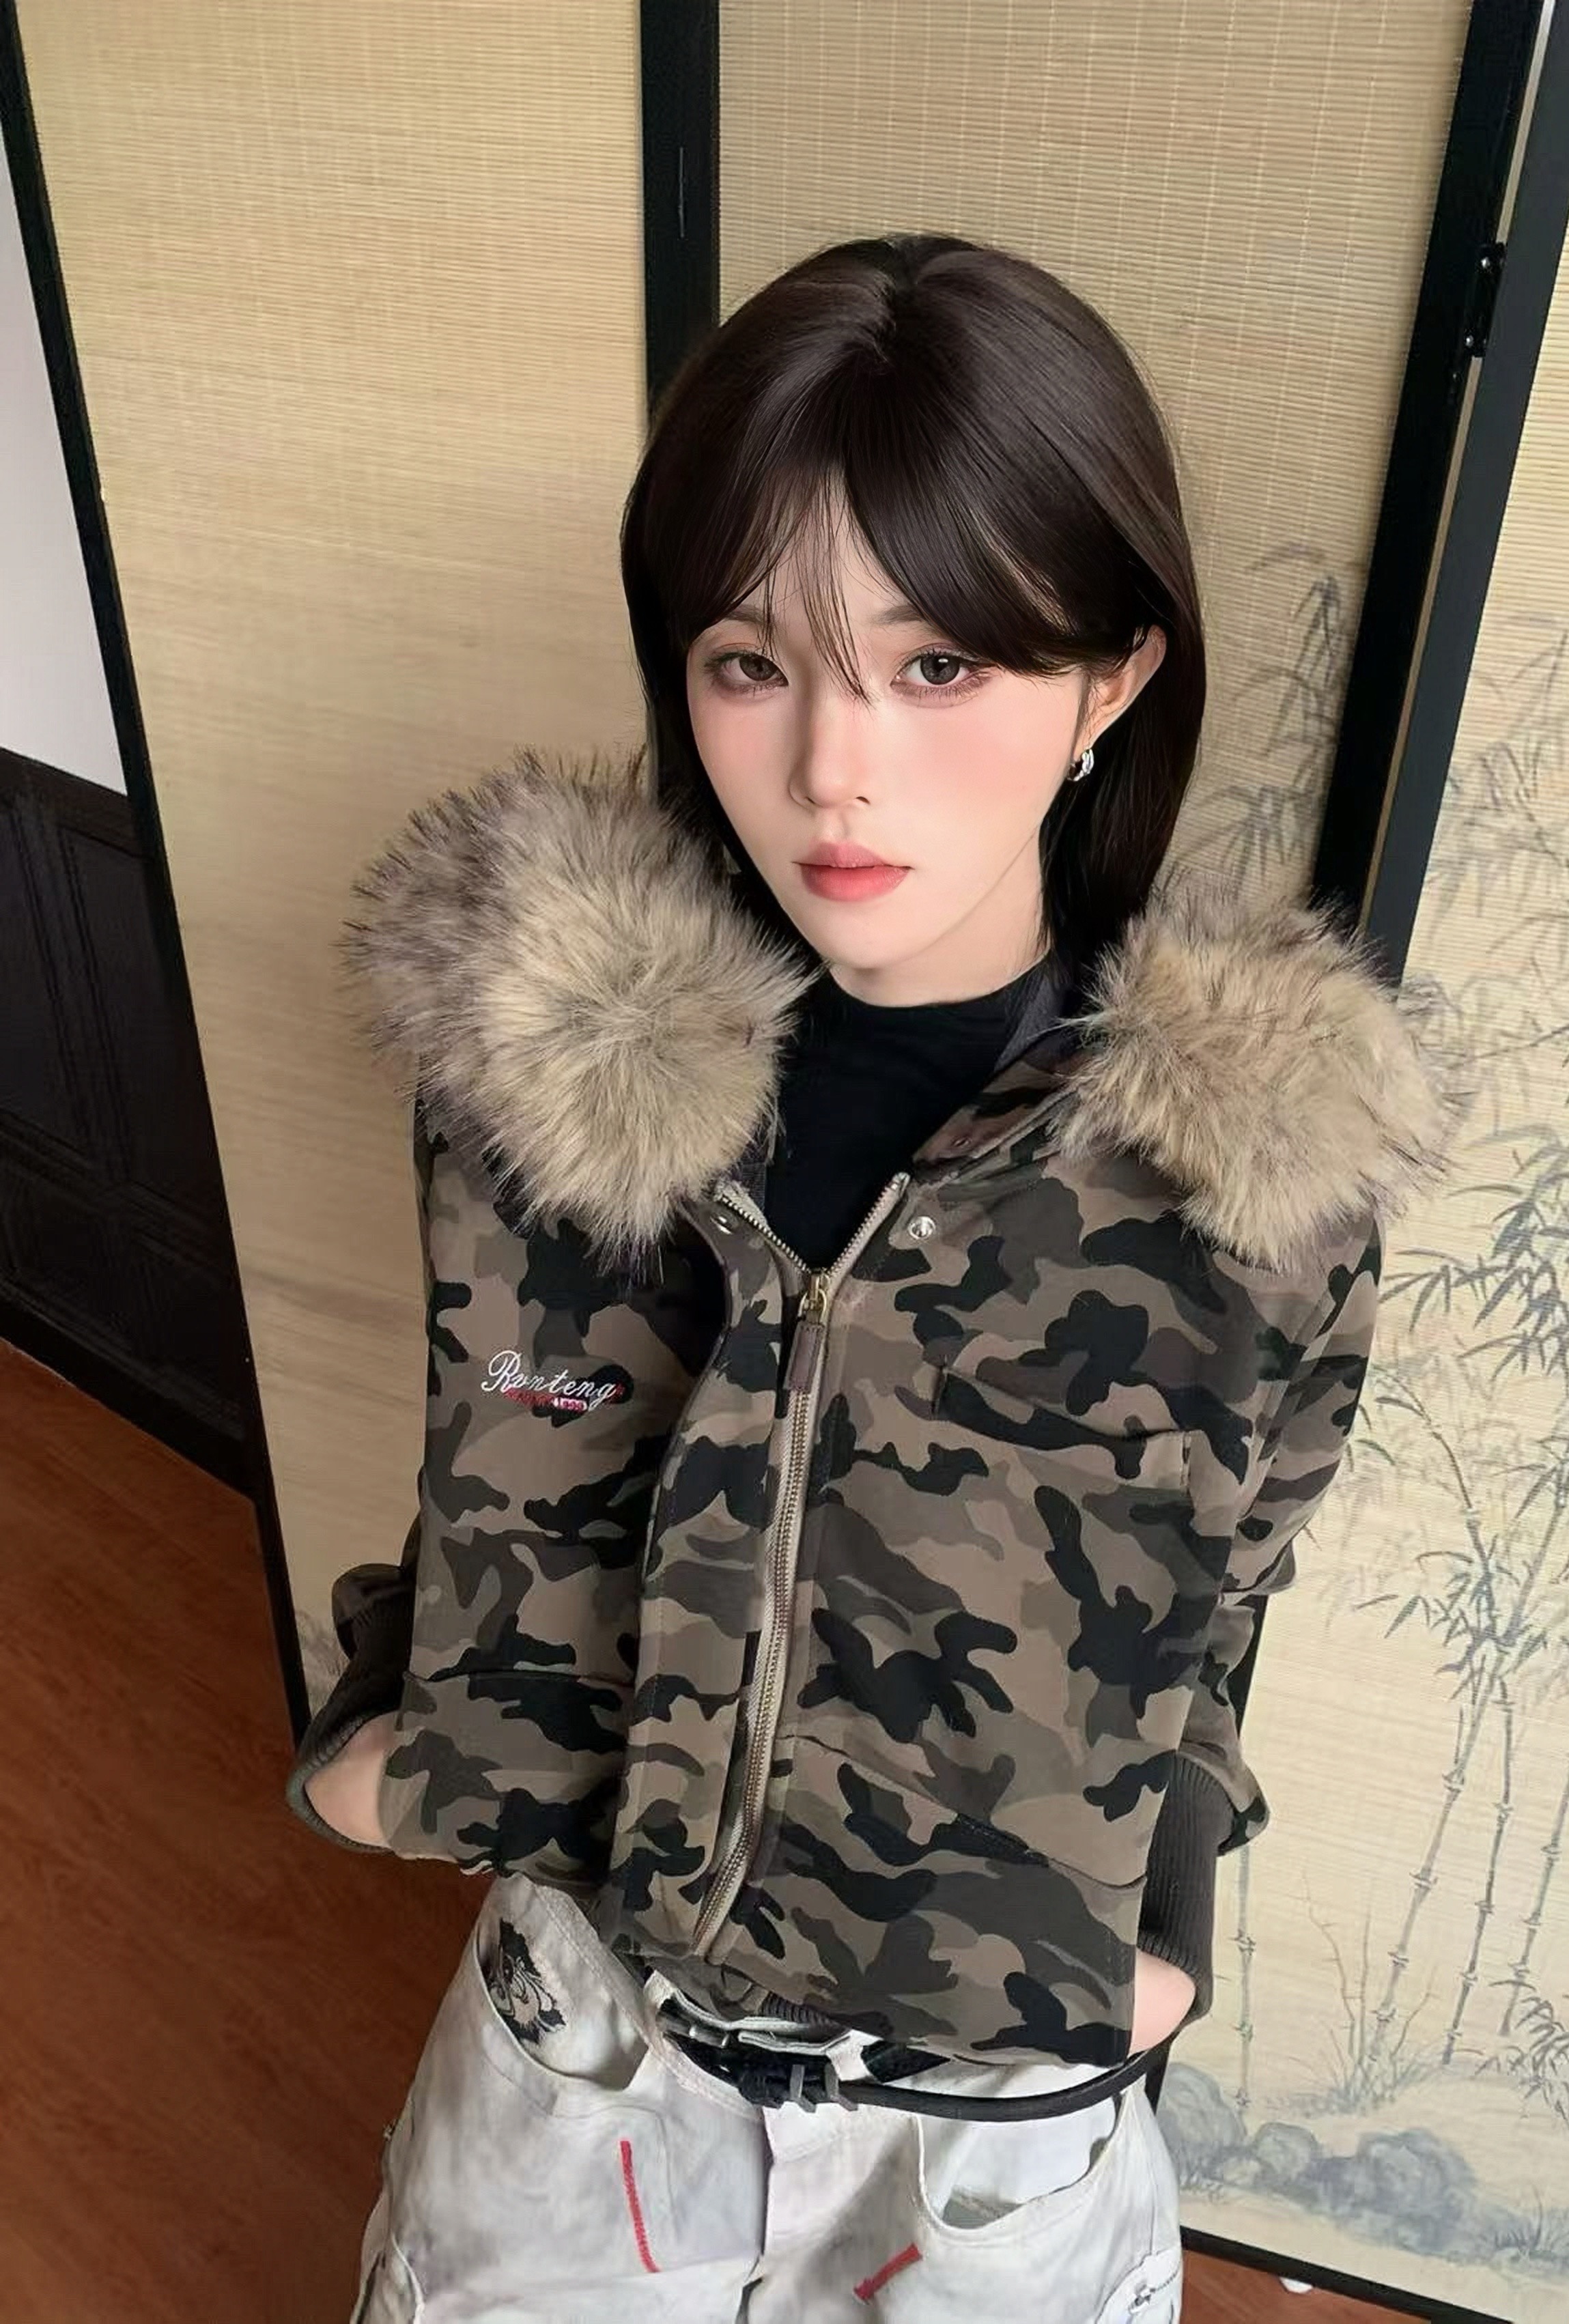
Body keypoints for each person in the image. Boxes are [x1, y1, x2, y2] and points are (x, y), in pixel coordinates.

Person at [285, 233, 1461, 2323]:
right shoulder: (542, 1080)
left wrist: (1160, 1916)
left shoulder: (1246, 1181)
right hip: (589, 2053)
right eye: (753, 660)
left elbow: (1218, 1603)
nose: (836, 764)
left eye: (939, 666)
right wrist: (397, 1711)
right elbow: (497, 1466)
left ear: (1113, 677)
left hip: (988, 2133)